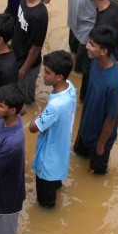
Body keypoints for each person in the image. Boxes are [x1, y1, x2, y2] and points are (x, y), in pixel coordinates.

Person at [29, 50, 76, 209]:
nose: (43, 74)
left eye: (48, 72)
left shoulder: (54, 107)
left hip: (47, 164)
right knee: (55, 189)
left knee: (45, 205)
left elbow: (32, 127)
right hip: (61, 157)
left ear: (59, 77)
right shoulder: (70, 88)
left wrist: (41, 111)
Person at [75, 26, 118, 174]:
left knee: (97, 173)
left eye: (92, 45)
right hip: (86, 125)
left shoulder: (113, 84)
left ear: (103, 51)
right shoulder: (96, 61)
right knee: (78, 156)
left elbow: (110, 119)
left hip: (99, 137)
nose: (87, 47)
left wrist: (101, 145)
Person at [0, 83, 27, 234]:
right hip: (1, 185)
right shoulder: (6, 120)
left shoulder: (12, 143)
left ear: (13, 110)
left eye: (0, 106)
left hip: (8, 194)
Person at [12, 0, 49, 103]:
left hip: (28, 65)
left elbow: (36, 48)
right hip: (17, 57)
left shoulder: (39, 15)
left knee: (25, 100)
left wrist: (23, 70)